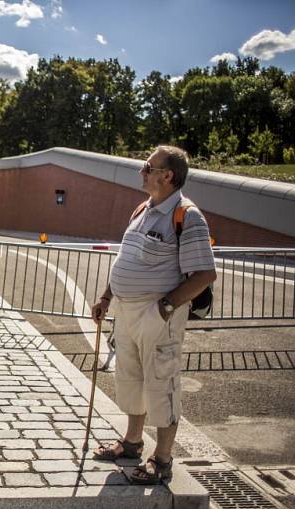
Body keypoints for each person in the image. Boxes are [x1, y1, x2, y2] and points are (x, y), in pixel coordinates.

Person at [90, 145, 216, 484]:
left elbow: (204, 275)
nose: (141, 171)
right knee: (130, 378)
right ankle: (131, 442)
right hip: (127, 312)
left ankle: (161, 460)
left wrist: (165, 308)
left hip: (158, 314)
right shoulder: (142, 210)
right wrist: (106, 296)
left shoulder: (187, 216)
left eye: (148, 166)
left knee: (162, 384)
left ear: (167, 175)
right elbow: (125, 261)